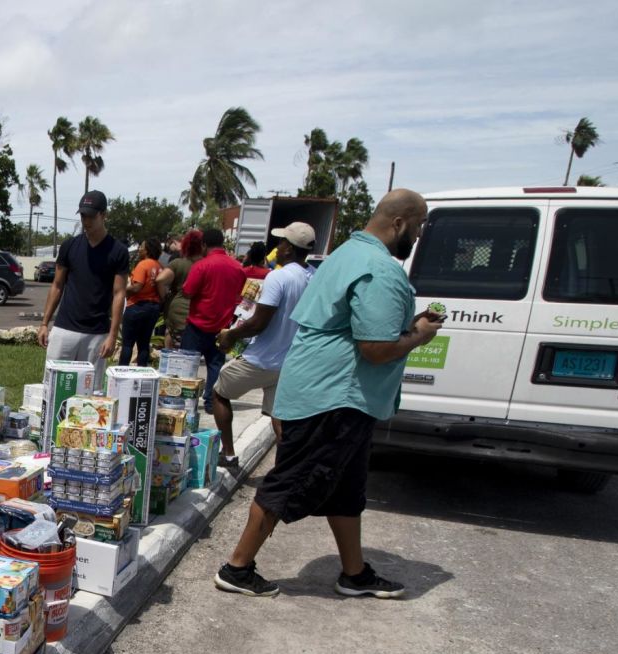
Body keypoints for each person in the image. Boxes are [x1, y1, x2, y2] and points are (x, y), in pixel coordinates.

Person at [213, 190, 445, 601]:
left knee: (346, 488)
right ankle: (238, 567)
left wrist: (404, 327)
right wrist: (419, 336)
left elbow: (356, 326)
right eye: (420, 225)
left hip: (329, 391)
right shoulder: (379, 268)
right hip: (334, 396)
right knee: (291, 481)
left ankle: (354, 573)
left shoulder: (344, 255)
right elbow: (374, 348)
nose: (419, 234)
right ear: (402, 223)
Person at [211, 221, 318, 472]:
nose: (277, 247)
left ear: (289, 249)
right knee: (279, 417)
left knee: (220, 393)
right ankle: (285, 471)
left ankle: (228, 455)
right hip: (292, 361)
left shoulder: (278, 277)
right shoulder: (314, 277)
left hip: (263, 358)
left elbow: (258, 323)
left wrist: (231, 335)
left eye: (281, 242)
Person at [37, 190, 128, 393]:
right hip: (65, 328)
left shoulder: (118, 251)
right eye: (82, 215)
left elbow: (119, 294)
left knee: (90, 393)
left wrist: (112, 335)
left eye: (91, 215)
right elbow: (57, 285)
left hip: (97, 332)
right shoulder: (70, 246)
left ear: (103, 215)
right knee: (52, 387)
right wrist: (44, 323)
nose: (86, 220)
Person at [179, 228, 247, 413]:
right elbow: (240, 295)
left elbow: (188, 291)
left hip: (197, 325)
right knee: (215, 366)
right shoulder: (237, 267)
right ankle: (211, 403)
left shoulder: (202, 266)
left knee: (187, 366)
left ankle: (185, 404)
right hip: (222, 328)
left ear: (204, 245)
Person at [118, 237, 168, 367]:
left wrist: (121, 289)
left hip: (136, 306)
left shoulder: (142, 265)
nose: (139, 249)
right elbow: (162, 291)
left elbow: (136, 287)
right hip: (153, 308)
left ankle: (122, 372)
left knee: (128, 344)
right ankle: (142, 373)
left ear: (147, 250)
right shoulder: (160, 267)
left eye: (142, 247)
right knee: (144, 344)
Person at [159, 228, 204, 350]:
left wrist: (163, 295)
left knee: (173, 343)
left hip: (177, 308)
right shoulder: (205, 264)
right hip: (198, 311)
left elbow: (160, 279)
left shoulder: (178, 263)